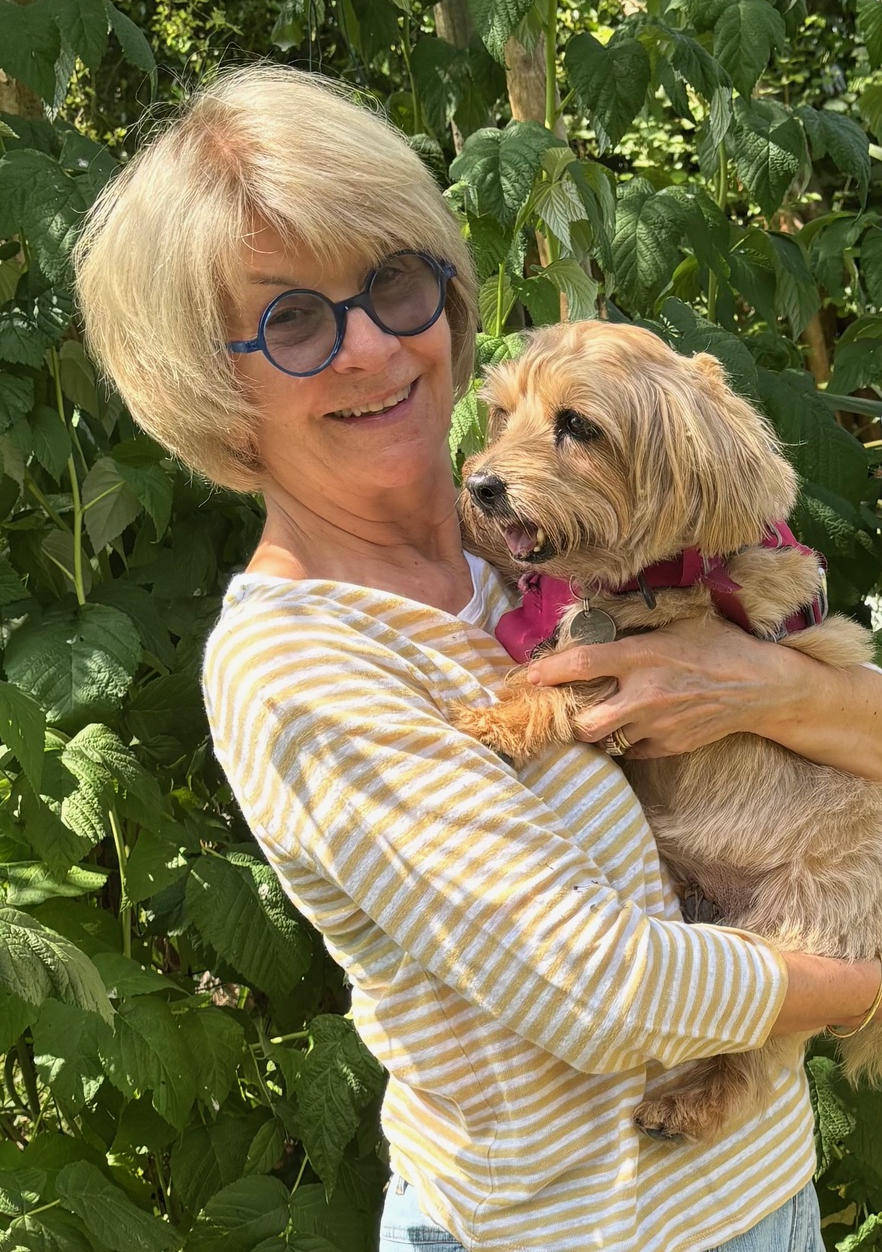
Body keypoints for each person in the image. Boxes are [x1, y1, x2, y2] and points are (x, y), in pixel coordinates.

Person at [73, 63, 882, 1252]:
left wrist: (775, 688)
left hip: (760, 1192)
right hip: (564, 1231)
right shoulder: (299, 669)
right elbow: (599, 991)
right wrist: (865, 986)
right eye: (291, 318)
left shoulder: (545, 549)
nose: (370, 350)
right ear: (207, 383)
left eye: (393, 284)